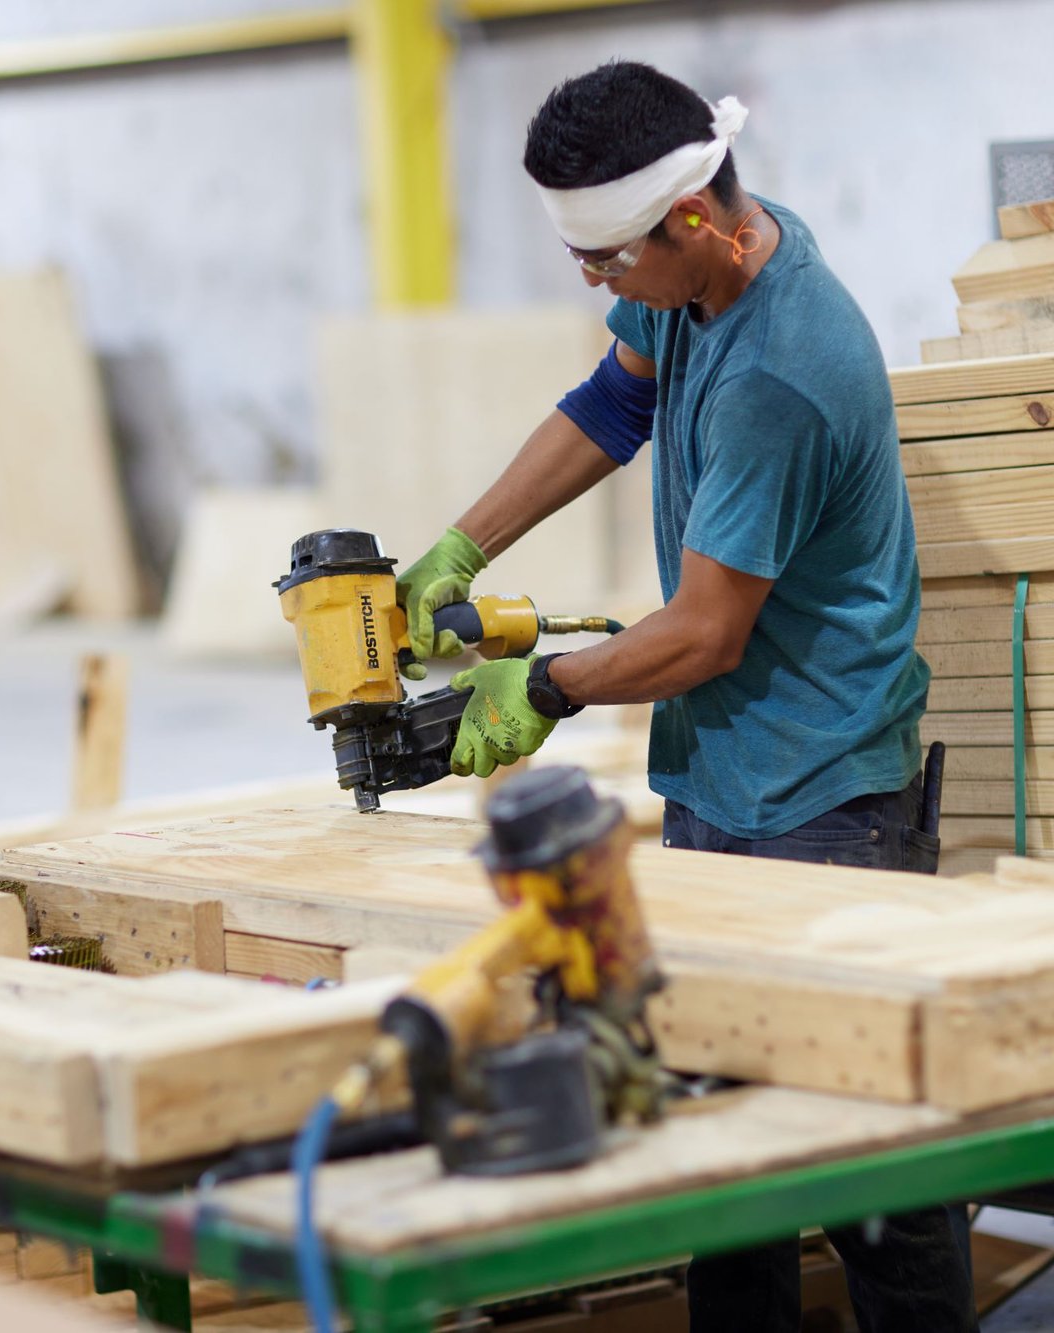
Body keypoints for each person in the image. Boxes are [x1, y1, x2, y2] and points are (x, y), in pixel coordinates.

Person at [393, 60, 974, 1333]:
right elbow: (611, 401)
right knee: (716, 1146)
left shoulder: (782, 368)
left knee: (870, 1157)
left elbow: (705, 632)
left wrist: (541, 685)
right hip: (725, 773)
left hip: (823, 796)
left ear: (694, 220)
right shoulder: (708, 267)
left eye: (608, 261)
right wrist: (459, 549)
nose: (593, 284)